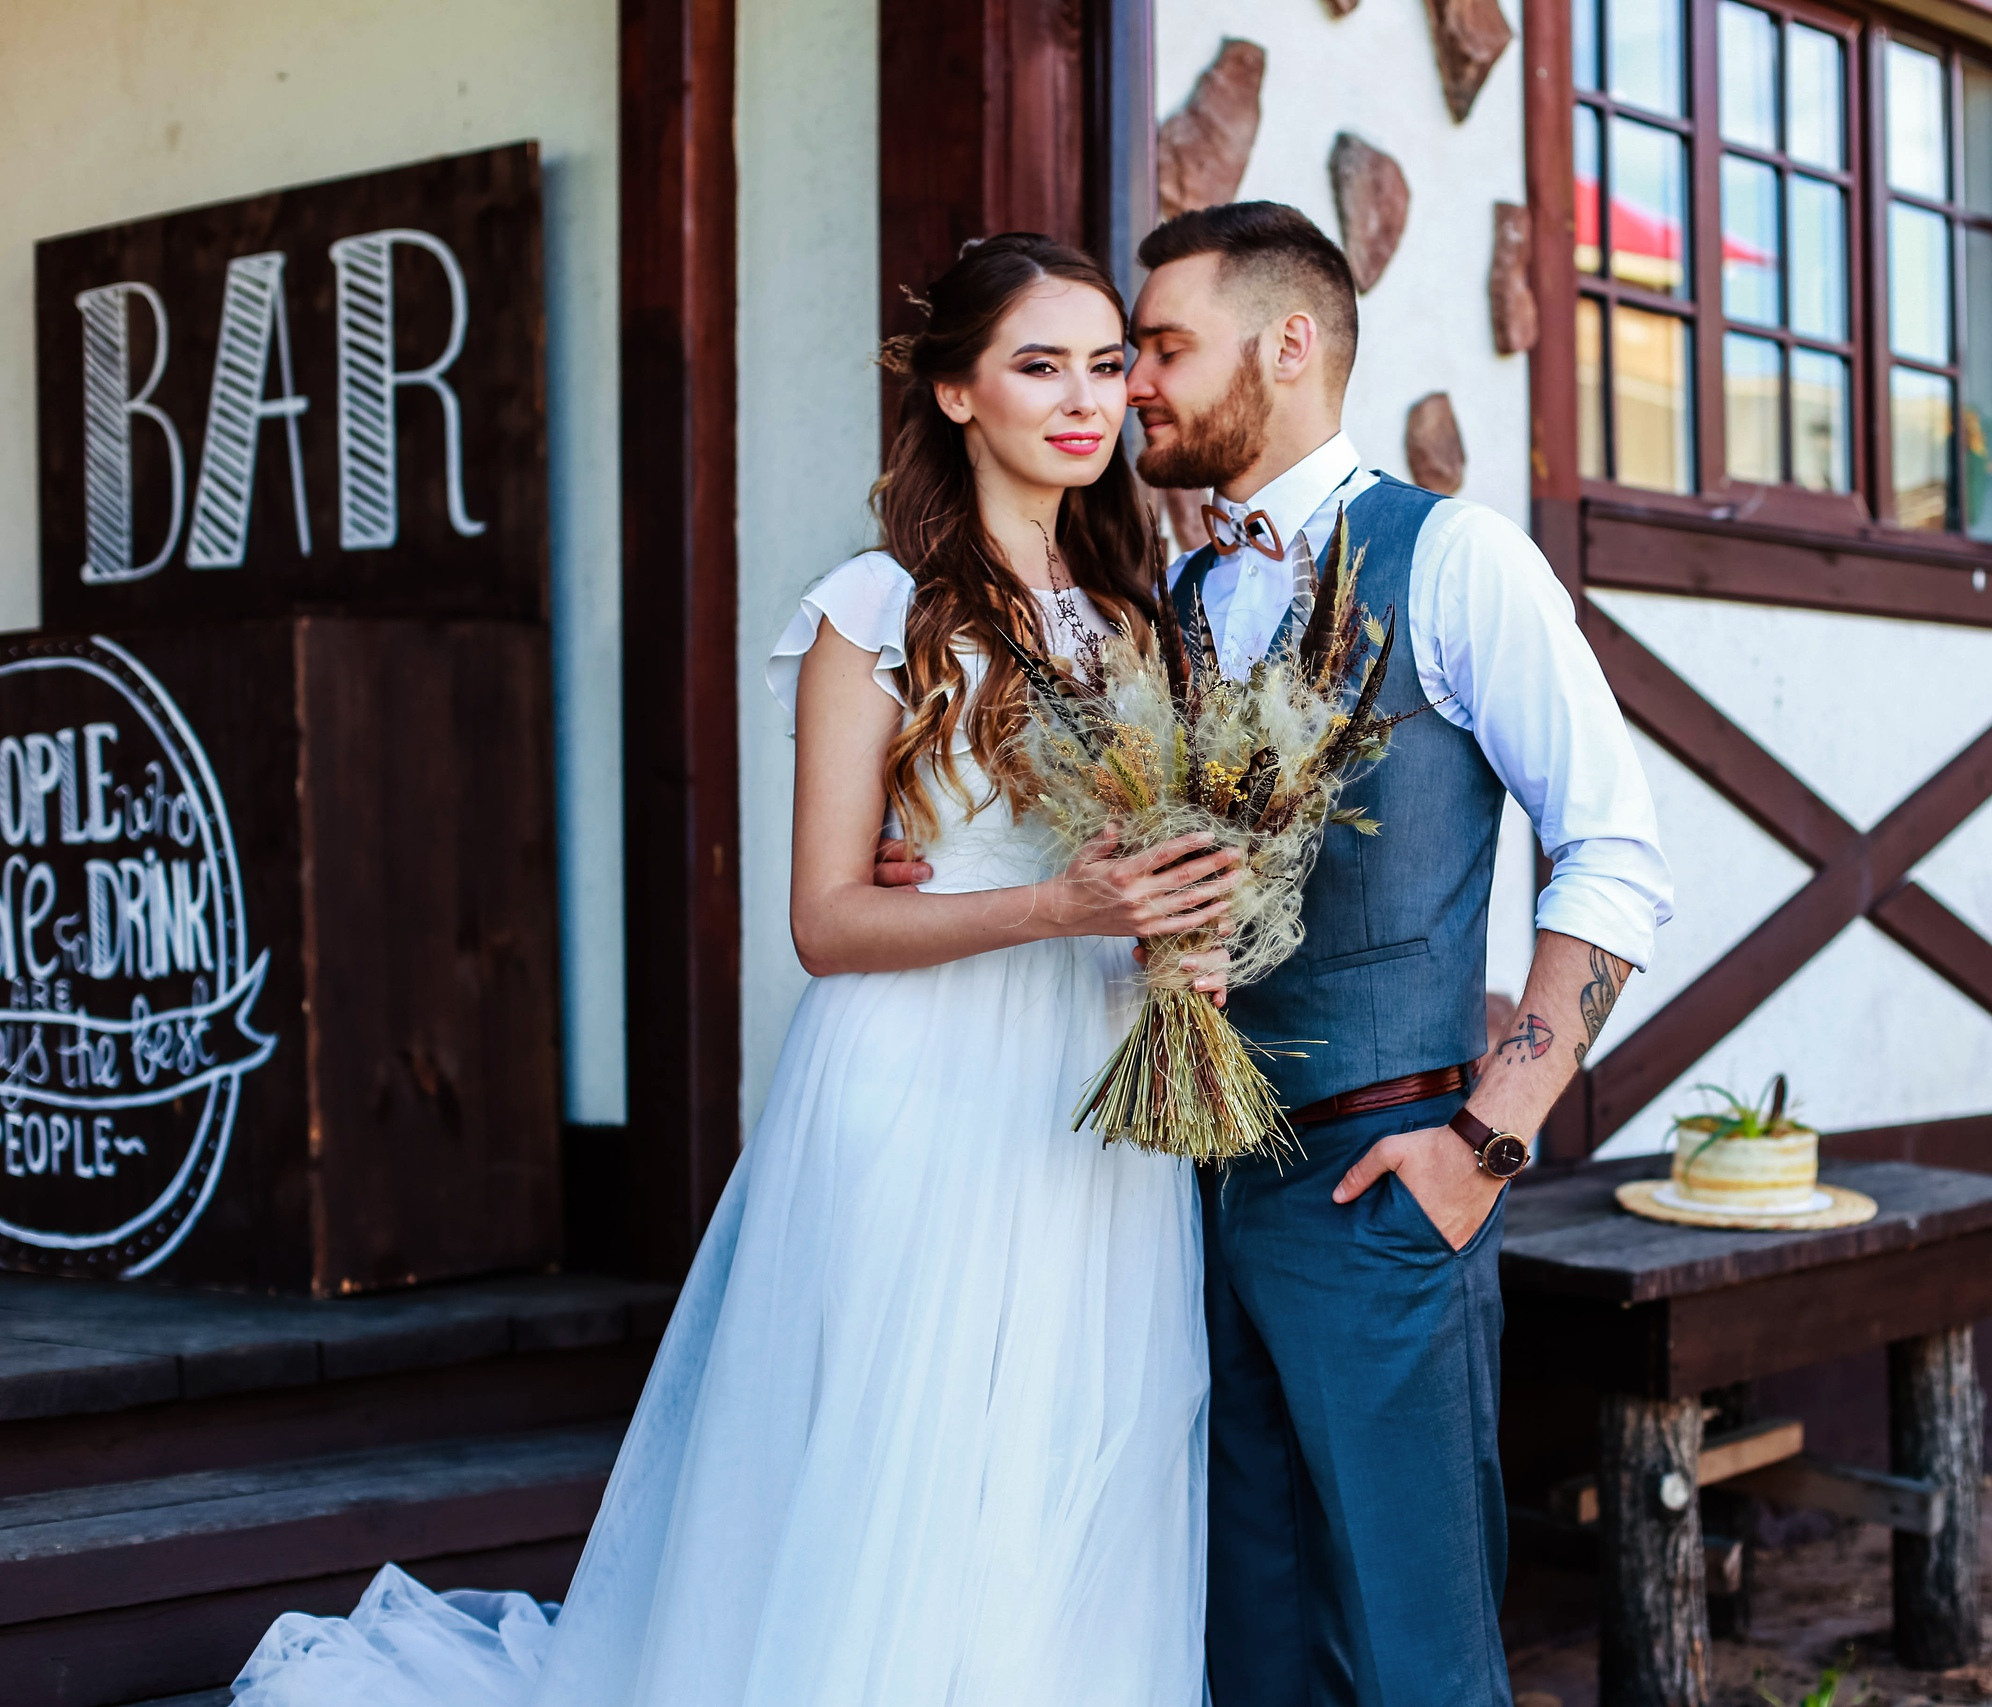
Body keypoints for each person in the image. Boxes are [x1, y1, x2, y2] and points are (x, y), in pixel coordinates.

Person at [227, 233, 1238, 1707]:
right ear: (957, 392)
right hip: (925, 1085)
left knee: (1073, 1441)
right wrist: (1054, 908)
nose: (1085, 399)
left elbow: (1146, 864)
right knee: (909, 1442)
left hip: (1093, 1093)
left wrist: (1183, 934)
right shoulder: (873, 609)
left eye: (1105, 365)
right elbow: (824, 918)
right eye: (1038, 365)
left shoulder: (1135, 625)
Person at [1128, 203, 1673, 1707]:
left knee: (1413, 1657)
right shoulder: (1185, 598)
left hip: (1386, 1179)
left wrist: (1485, 1143)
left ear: (1289, 343)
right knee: (1252, 1646)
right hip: (1192, 1190)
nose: (1135, 385)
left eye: (1167, 347)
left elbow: (1617, 857)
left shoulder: (1455, 560)